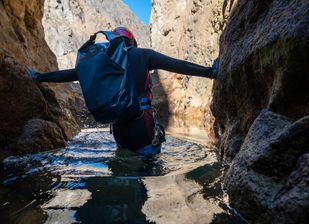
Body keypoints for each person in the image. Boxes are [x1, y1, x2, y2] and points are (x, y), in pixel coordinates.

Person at [27, 27, 219, 156]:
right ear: (132, 42)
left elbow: (71, 74)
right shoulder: (144, 55)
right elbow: (177, 65)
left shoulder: (103, 63)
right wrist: (209, 72)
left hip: (118, 127)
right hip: (142, 125)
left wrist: (40, 77)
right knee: (145, 172)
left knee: (121, 169)